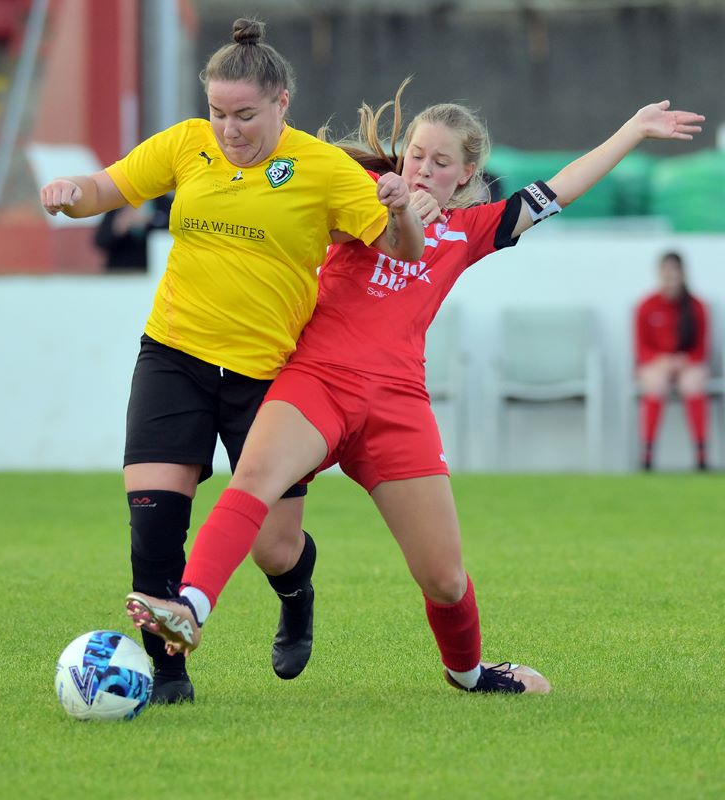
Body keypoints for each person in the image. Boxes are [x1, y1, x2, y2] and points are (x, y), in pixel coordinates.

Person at [125, 81, 704, 695]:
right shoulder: (359, 194)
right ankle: (189, 607)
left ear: (466, 174)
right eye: (416, 155)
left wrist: (634, 130)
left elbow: (560, 188)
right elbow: (289, 202)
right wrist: (391, 205)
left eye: (441, 161)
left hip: (396, 405)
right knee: (254, 485)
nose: (423, 169)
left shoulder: (473, 229)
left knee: (445, 579)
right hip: (314, 381)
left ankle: (470, 674)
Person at [40, 19, 424, 705]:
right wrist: (74, 192)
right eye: (217, 112)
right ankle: (168, 676)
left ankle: (297, 592)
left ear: (282, 103)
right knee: (155, 521)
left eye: (244, 115)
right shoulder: (188, 146)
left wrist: (399, 210)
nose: (228, 129)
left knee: (272, 546)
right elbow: (111, 188)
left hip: (271, 376)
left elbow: (402, 251)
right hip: (174, 355)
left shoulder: (324, 169)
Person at [635, 252, 709, 470]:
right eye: (666, 271)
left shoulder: (697, 306)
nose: (670, 277)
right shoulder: (647, 306)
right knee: (656, 384)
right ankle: (647, 453)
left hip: (688, 364)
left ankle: (701, 454)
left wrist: (684, 360)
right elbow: (641, 349)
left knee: (692, 384)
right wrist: (661, 361)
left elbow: (702, 348)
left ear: (682, 273)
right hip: (657, 364)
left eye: (674, 271)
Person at [94, 195, 172, 271]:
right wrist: (120, 226)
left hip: (156, 271)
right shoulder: (119, 203)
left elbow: (174, 234)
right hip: (121, 272)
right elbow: (100, 241)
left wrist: (150, 221)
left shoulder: (165, 203)